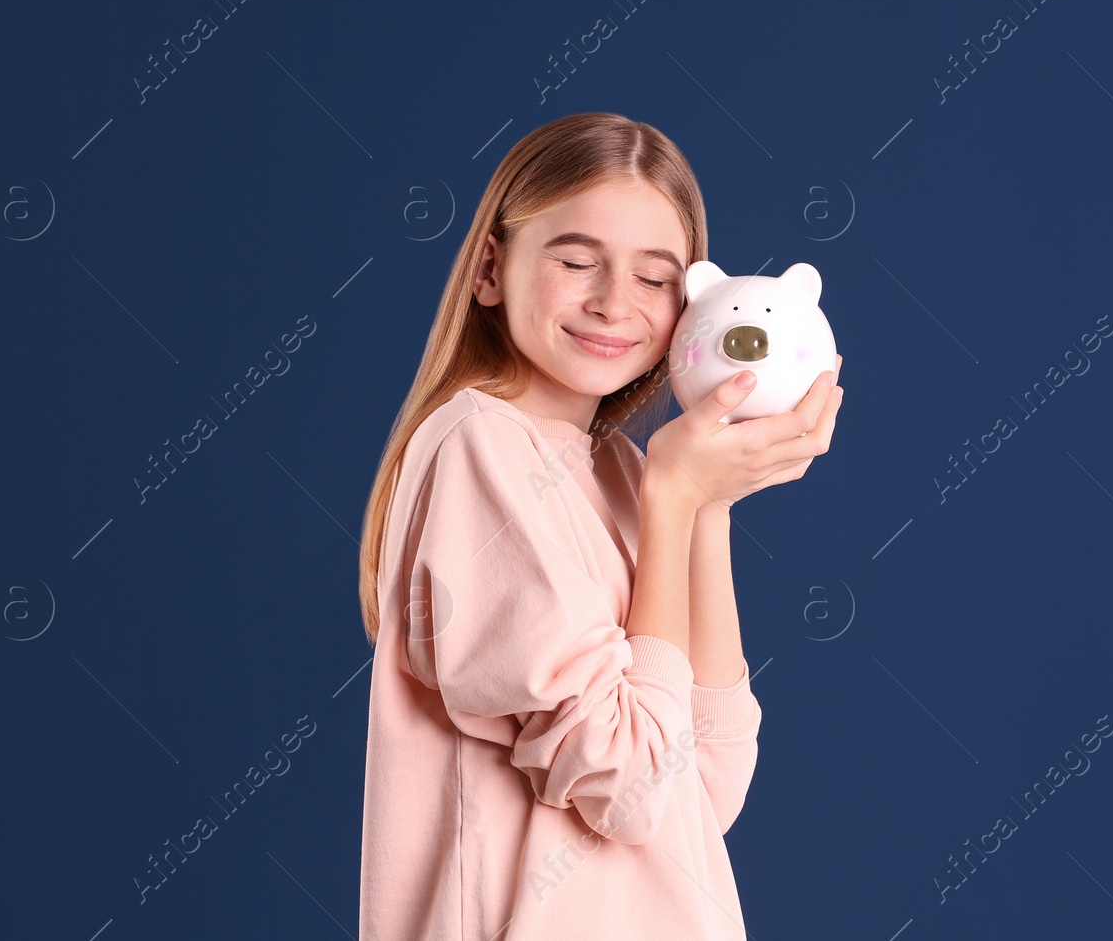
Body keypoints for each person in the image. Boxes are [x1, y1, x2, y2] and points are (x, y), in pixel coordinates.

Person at [356, 111, 843, 939]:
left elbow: (707, 783)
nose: (613, 302)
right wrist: (675, 499)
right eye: (577, 259)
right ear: (489, 269)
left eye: (656, 279)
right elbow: (630, 782)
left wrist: (704, 505)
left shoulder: (623, 470)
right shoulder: (481, 445)